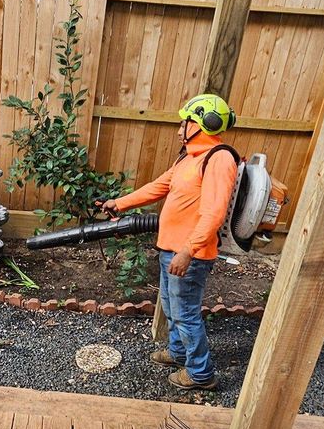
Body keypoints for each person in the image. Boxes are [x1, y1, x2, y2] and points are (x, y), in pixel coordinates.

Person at [102, 93, 238, 391]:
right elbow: (158, 187)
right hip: (170, 250)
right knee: (171, 306)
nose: (179, 129)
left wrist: (188, 251)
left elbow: (214, 213)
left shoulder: (219, 159)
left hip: (188, 255)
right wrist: (119, 203)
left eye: (184, 122)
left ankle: (201, 374)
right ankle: (178, 353)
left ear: (204, 123)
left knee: (186, 313)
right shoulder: (188, 158)